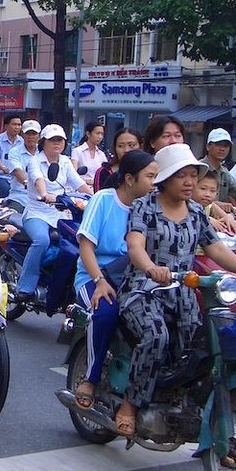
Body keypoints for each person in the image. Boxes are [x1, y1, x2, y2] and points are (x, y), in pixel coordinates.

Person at [113, 144, 236, 436]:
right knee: (156, 336)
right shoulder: (144, 206)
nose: (189, 182)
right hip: (143, 290)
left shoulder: (197, 212)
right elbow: (135, 246)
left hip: (183, 294)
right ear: (165, 179)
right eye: (181, 175)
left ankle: (185, 407)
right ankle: (130, 404)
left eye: (192, 176)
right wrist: (150, 268)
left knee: (199, 347)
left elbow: (218, 249)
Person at [73, 150, 158, 409]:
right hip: (94, 275)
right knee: (106, 311)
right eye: (150, 176)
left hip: (133, 279)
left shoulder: (150, 206)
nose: (155, 183)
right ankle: (90, 378)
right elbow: (86, 248)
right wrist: (99, 280)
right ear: (130, 179)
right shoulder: (103, 200)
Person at [15, 124, 92, 301]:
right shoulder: (35, 160)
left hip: (61, 213)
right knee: (42, 240)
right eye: (52, 140)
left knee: (78, 241)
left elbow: (78, 183)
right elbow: (37, 178)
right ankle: (25, 287)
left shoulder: (65, 161)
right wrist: (44, 194)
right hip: (37, 212)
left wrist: (96, 197)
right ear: (44, 142)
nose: (57, 143)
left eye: (60, 140)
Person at [5, 120, 40, 213]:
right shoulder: (14, 151)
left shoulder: (44, 152)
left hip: (43, 198)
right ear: (23, 135)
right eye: (28, 134)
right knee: (12, 219)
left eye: (34, 134)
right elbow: (17, 171)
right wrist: (29, 184)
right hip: (20, 197)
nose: (31, 137)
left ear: (39, 136)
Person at [0, 113, 23, 198]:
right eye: (14, 124)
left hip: (17, 179)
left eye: (19, 125)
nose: (17, 127)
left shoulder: (22, 142)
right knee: (5, 189)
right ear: (6, 126)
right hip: (0, 177)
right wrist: (2, 167)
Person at [71, 121, 108, 187]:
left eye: (102, 134)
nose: (100, 137)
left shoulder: (101, 154)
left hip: (98, 188)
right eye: (97, 133)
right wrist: (86, 181)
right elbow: (73, 174)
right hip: (81, 188)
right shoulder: (77, 151)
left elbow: (106, 173)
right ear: (88, 134)